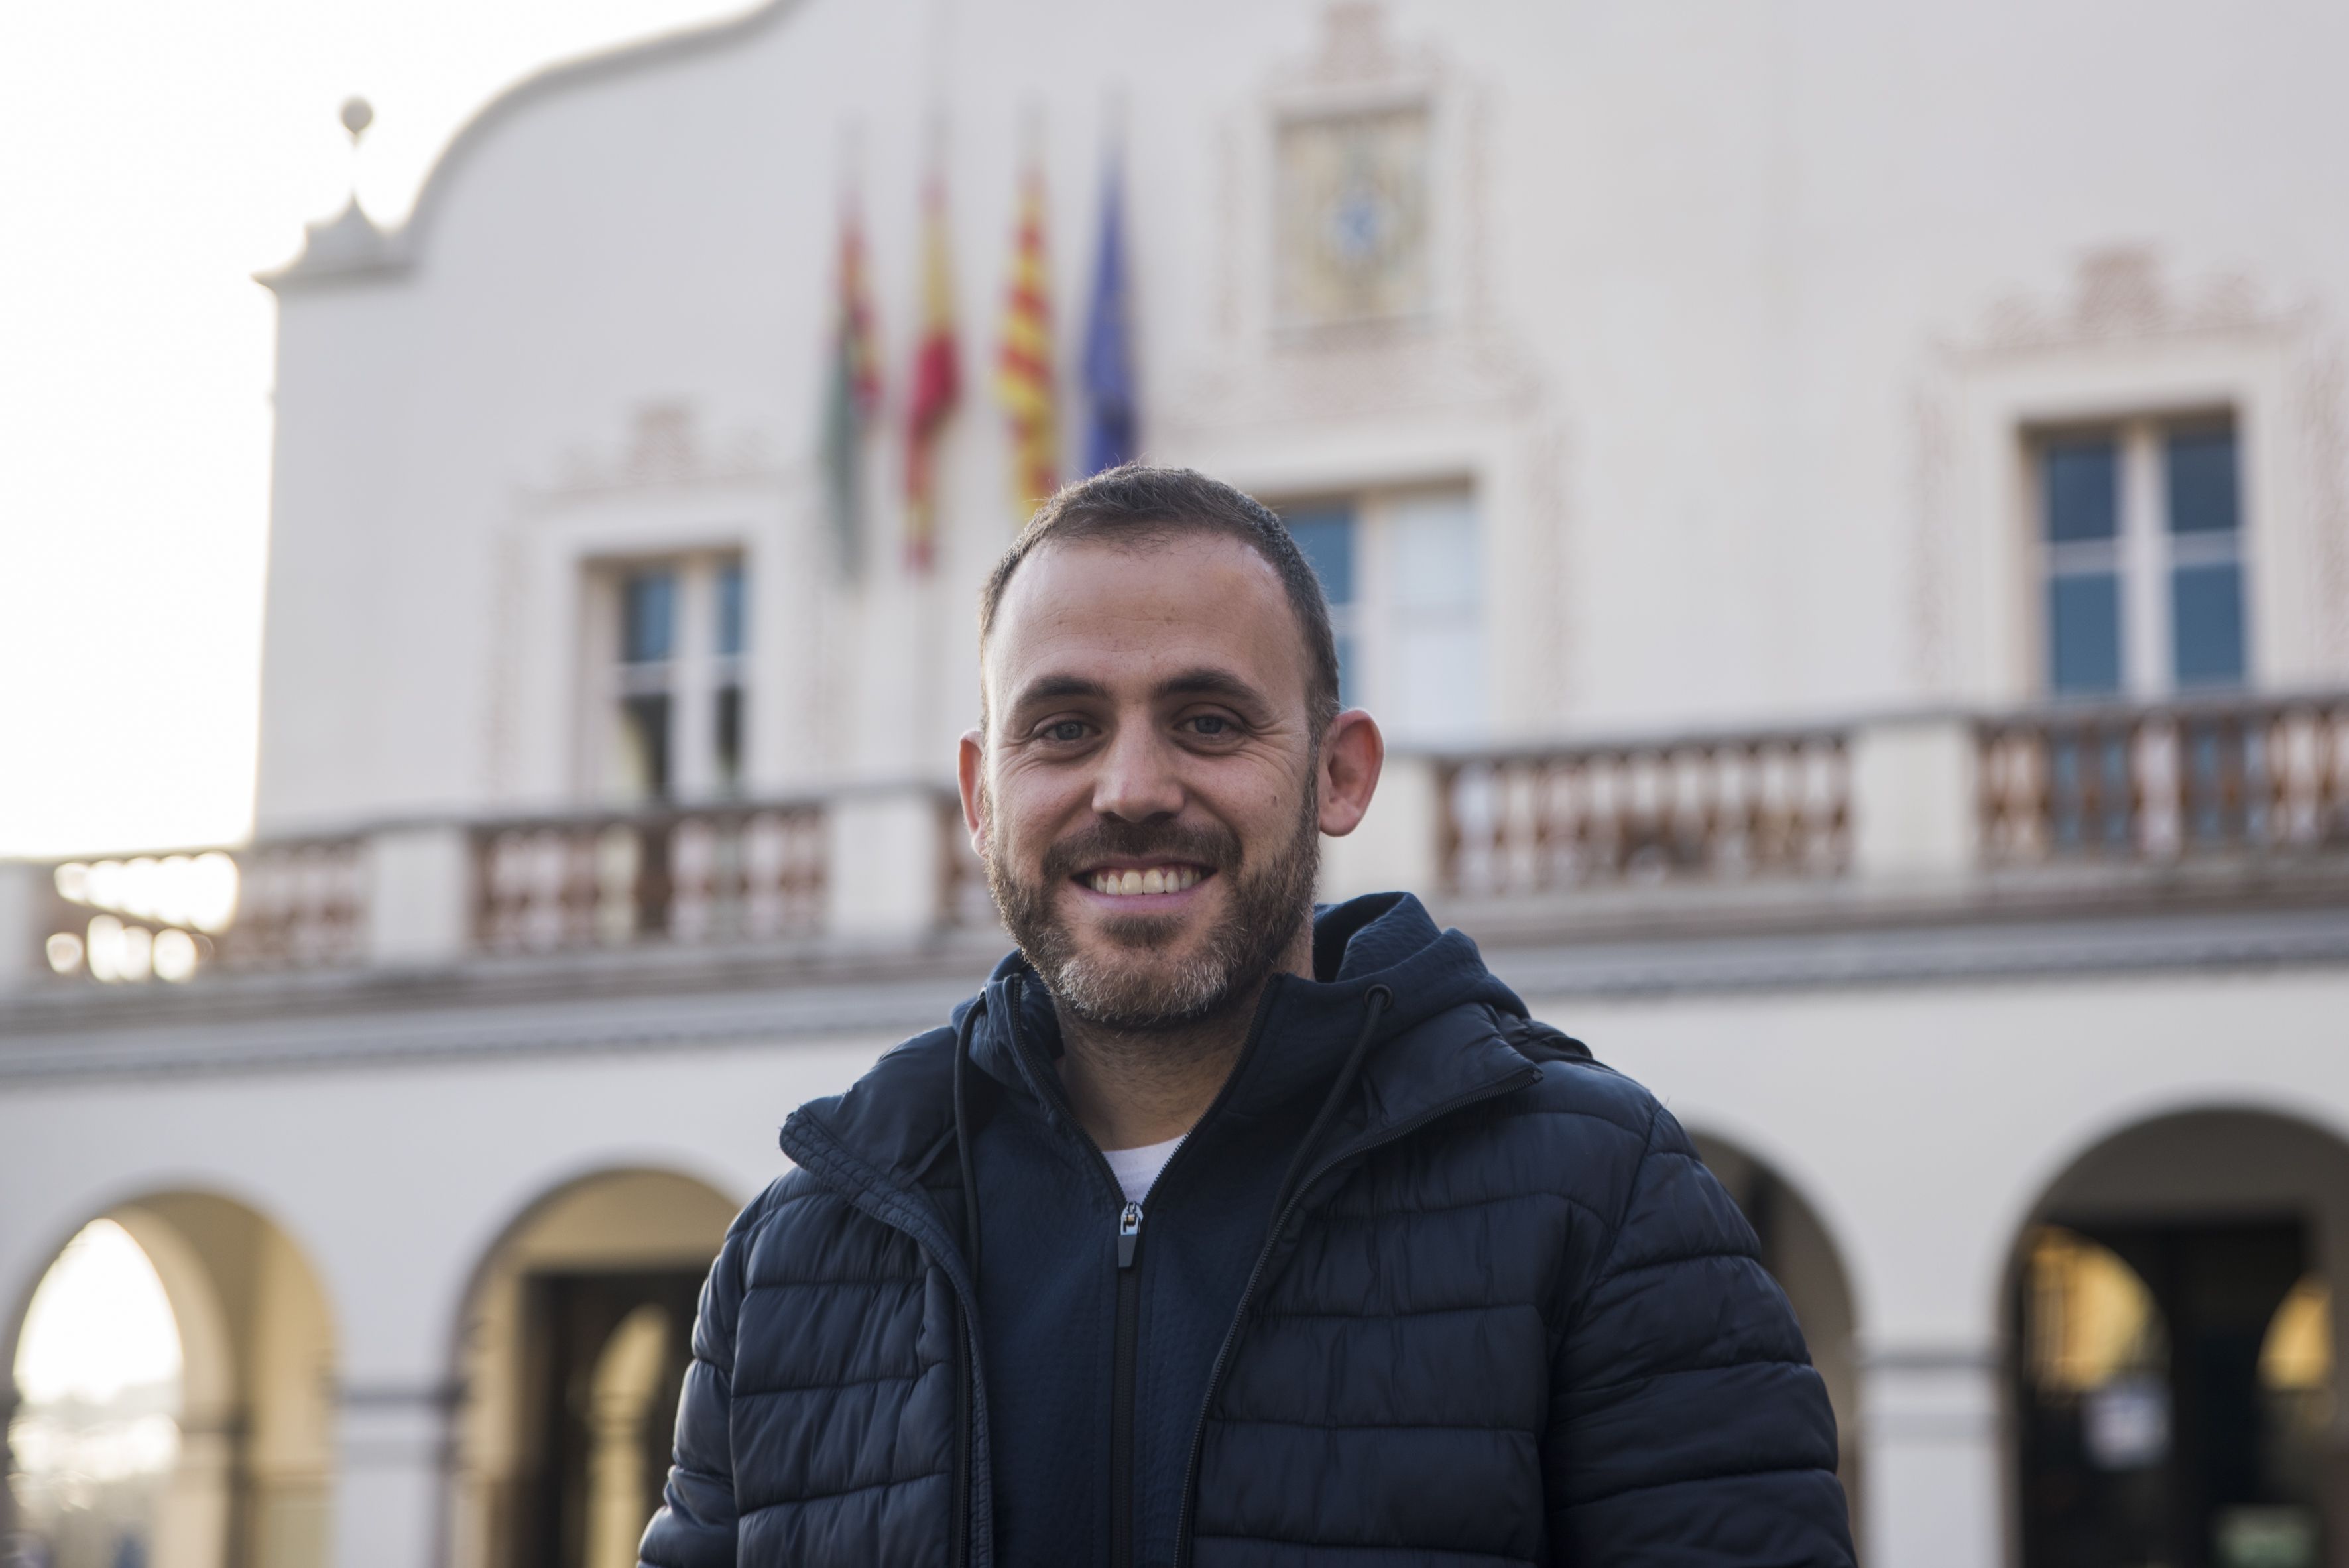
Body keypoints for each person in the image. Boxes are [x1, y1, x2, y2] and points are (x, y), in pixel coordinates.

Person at [639, 467, 1855, 1568]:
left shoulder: (1603, 1199)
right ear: (980, 790)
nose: (1132, 789)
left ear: (1339, 772)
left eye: (1209, 721)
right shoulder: (797, 1257)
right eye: (1063, 727)